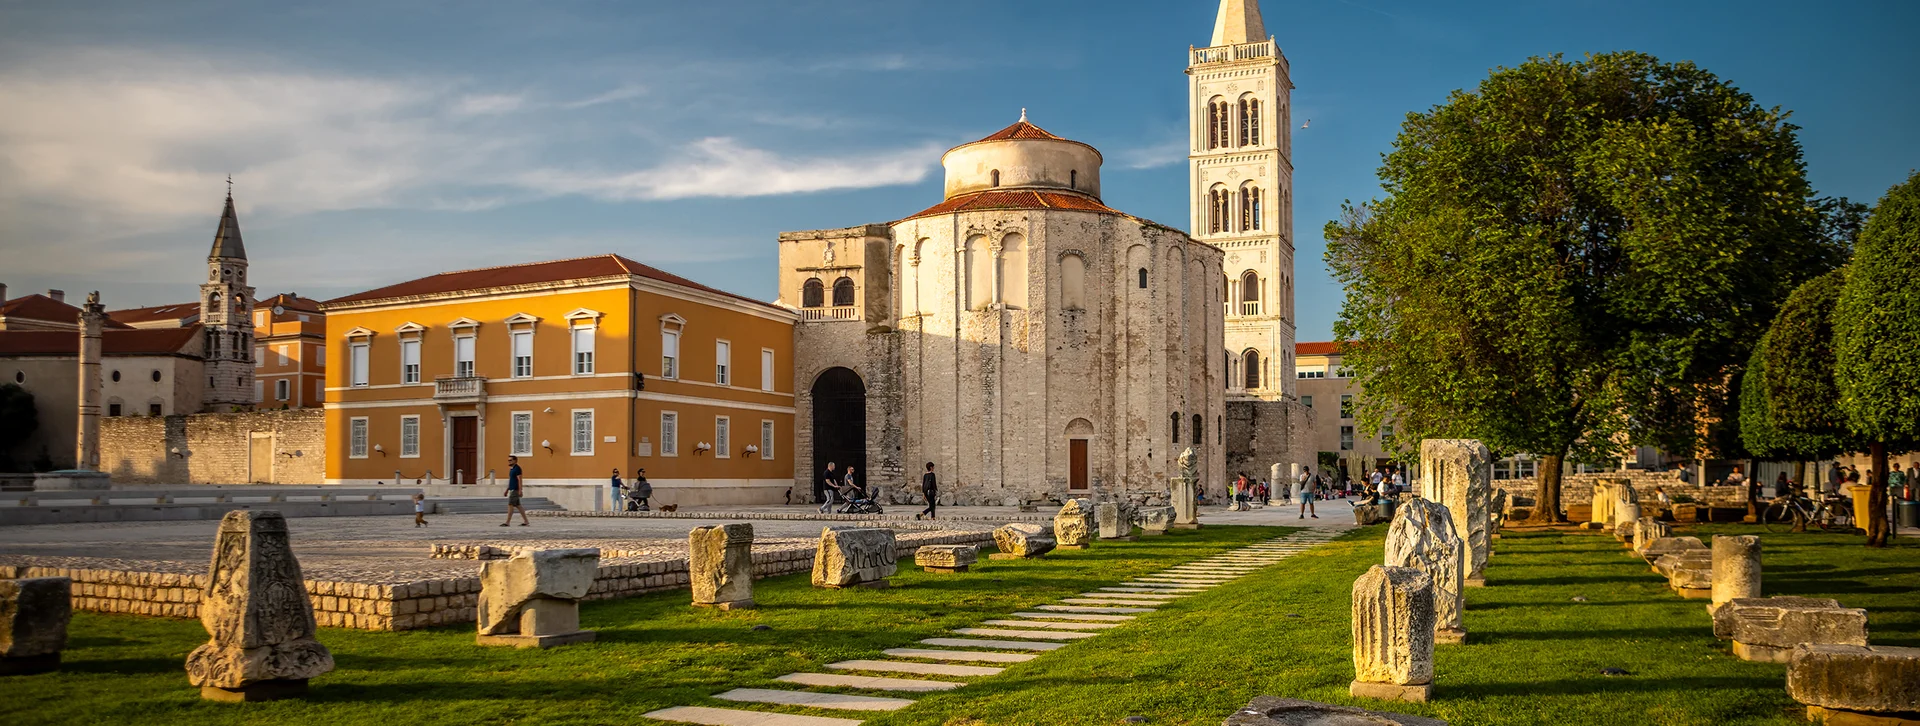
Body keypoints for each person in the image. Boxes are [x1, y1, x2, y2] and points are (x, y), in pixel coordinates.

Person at [502, 455, 528, 527]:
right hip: (512, 489)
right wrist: (507, 490)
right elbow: (511, 480)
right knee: (518, 506)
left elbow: (519, 479)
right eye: (508, 460)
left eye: (510, 460)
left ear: (515, 461)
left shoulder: (517, 469)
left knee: (510, 505)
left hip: (515, 490)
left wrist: (520, 490)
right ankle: (526, 521)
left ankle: (507, 522)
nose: (509, 461)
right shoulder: (512, 469)